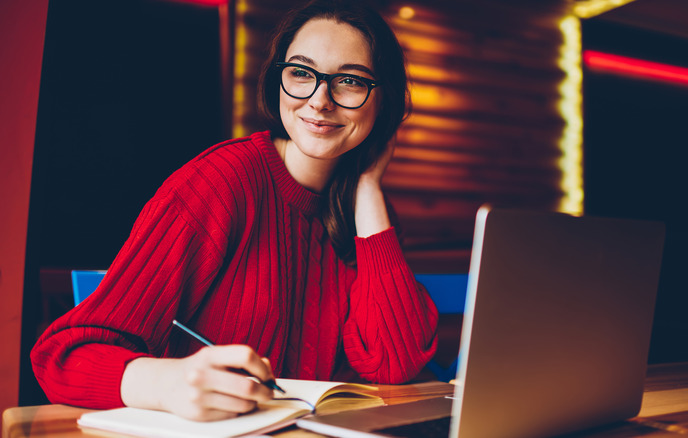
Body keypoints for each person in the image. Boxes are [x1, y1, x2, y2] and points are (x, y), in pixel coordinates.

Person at [31, 0, 438, 421]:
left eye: (350, 81)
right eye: (300, 73)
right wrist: (169, 384)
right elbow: (63, 354)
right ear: (278, 80)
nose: (320, 100)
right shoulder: (222, 182)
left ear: (383, 101)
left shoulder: (367, 213)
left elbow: (395, 364)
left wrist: (369, 187)